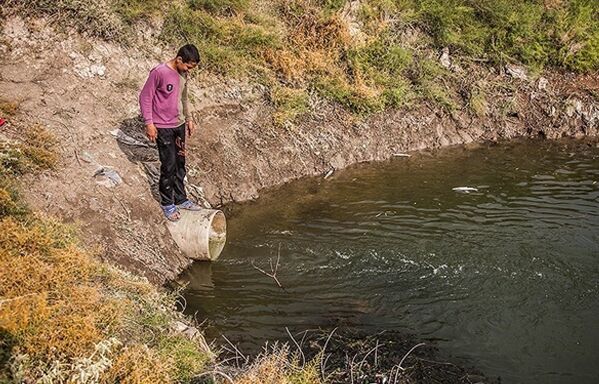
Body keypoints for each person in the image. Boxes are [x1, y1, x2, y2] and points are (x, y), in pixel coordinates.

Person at [139, 44, 202, 222]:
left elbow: (184, 97)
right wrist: (149, 123)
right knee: (169, 165)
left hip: (179, 125)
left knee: (180, 162)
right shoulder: (159, 72)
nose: (189, 70)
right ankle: (167, 203)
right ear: (179, 59)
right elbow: (145, 97)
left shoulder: (184, 74)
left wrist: (188, 118)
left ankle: (181, 199)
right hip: (163, 127)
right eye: (188, 66)